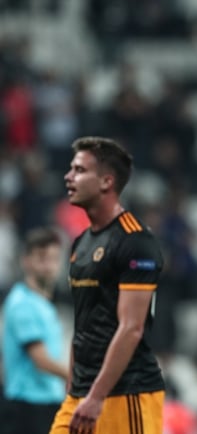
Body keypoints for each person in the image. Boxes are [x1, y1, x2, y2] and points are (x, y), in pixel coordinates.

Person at [50, 136, 165, 433]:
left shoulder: (135, 241)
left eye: (78, 170)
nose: (68, 176)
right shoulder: (80, 243)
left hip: (127, 394)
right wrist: (73, 392)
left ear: (106, 182)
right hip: (82, 395)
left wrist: (96, 396)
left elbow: (131, 328)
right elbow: (83, 324)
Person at [1, 227, 69, 434]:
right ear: (26, 261)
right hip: (28, 407)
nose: (49, 266)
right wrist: (76, 376)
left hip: (44, 403)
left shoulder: (42, 304)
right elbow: (40, 359)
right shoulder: (22, 303)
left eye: (54, 259)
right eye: (42, 258)